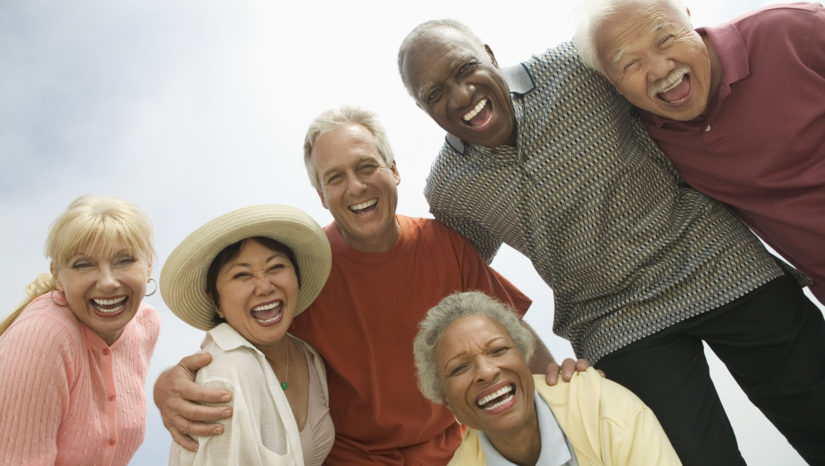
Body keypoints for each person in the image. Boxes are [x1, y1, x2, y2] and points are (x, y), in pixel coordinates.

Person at [398, 19, 825, 466]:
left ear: (488, 54)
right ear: (422, 107)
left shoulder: (577, 68)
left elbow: (678, 79)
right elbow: (460, 274)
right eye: (435, 93)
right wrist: (537, 366)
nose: (461, 96)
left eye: (465, 68)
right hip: (615, 323)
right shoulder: (450, 189)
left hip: (715, 260)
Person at [153, 106, 586, 465]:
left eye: (366, 167)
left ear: (394, 170)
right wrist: (167, 384)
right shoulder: (306, 273)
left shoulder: (445, 246)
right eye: (335, 178)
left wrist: (557, 386)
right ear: (322, 196)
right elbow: (239, 341)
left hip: (455, 451)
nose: (356, 187)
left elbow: (509, 332)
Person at [574, 0, 825, 305]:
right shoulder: (647, 137)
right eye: (630, 64)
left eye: (665, 40)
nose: (661, 69)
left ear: (688, 18)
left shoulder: (793, 28)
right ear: (608, 80)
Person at [414, 291, 681, 465]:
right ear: (447, 402)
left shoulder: (604, 409)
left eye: (498, 350)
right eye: (459, 368)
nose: (486, 371)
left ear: (524, 359)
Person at [161, 204, 334, 465]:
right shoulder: (224, 374)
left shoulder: (308, 355)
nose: (264, 287)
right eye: (242, 275)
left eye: (275, 267)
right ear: (215, 302)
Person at [0, 195, 160, 465]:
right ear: (57, 275)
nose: (108, 282)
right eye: (83, 265)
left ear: (149, 266)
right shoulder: (43, 336)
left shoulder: (145, 324)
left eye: (124, 260)